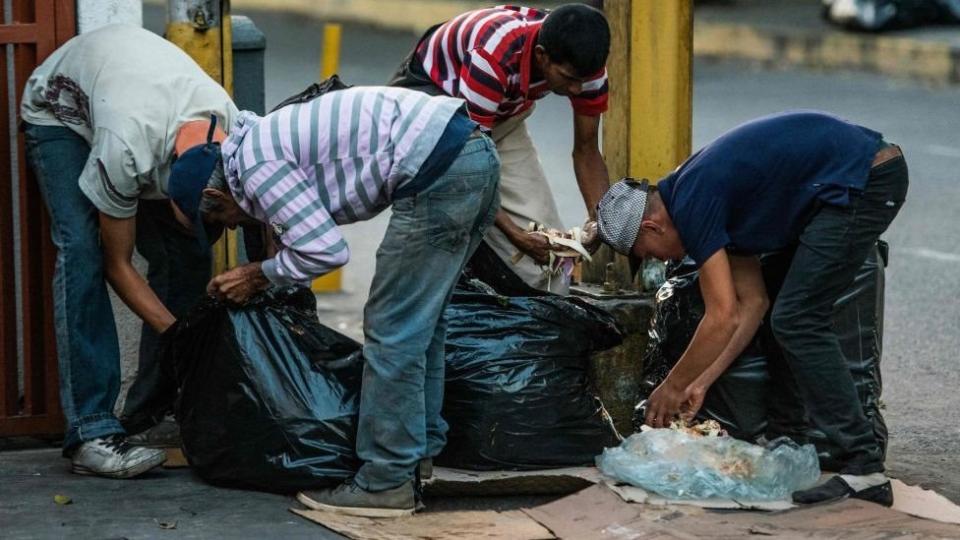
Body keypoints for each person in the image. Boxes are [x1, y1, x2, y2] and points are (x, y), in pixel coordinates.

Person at [168, 86, 500, 516]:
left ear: (216, 196)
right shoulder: (255, 145)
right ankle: (418, 456)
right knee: (422, 323)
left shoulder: (256, 168)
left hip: (442, 169)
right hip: (473, 154)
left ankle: (386, 480)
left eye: (220, 221)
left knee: (392, 329)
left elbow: (325, 251)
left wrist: (258, 275)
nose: (231, 229)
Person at [595, 111, 908, 506]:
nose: (658, 261)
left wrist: (672, 387)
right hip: (845, 185)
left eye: (648, 255)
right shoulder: (699, 197)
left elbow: (721, 315)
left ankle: (865, 466)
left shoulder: (693, 198)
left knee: (798, 319)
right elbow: (751, 304)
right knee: (783, 310)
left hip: (867, 178)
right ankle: (789, 439)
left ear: (652, 227)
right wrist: (701, 381)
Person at [20, 24, 237, 478]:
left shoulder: (232, 132)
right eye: (201, 215)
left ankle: (150, 415)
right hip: (61, 114)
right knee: (82, 251)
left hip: (135, 100)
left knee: (189, 256)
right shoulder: (126, 149)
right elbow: (118, 266)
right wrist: (183, 337)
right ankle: (92, 431)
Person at [390, 4, 610, 293]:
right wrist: (515, 235)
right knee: (444, 234)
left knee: (552, 260)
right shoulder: (493, 55)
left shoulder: (586, 68)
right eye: (569, 79)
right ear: (542, 56)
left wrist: (601, 221)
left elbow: (587, 151)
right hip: (435, 113)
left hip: (497, 118)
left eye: (583, 81)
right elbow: (470, 164)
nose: (578, 90)